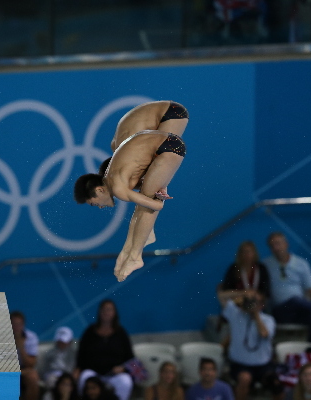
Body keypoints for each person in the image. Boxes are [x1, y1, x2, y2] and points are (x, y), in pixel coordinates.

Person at [74, 101, 189, 282]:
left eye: (94, 203)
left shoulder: (119, 184)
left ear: (98, 189)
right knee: (145, 194)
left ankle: (135, 255)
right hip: (166, 139)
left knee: (146, 201)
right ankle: (130, 250)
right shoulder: (119, 160)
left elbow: (155, 205)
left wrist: (158, 196)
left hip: (169, 130)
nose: (98, 207)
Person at [262, 232, 311, 345]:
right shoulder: (265, 265)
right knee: (295, 300)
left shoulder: (301, 264)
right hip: (280, 311)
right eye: (272, 245)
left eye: (278, 244)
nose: (276, 248)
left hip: (299, 311)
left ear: (286, 244)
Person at [219, 288, 280, 400]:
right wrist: (243, 293)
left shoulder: (268, 320)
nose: (251, 304)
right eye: (249, 301)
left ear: (262, 305)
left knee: (276, 383)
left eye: (255, 302)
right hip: (240, 364)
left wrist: (255, 314)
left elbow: (264, 334)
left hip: (263, 365)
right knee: (245, 378)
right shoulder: (235, 314)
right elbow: (221, 296)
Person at [75, 299, 135, 400]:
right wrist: (77, 368)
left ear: (114, 312)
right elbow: (81, 354)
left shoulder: (121, 333)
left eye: (109, 309)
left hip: (114, 374)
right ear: (99, 312)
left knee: (126, 381)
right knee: (84, 377)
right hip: (93, 373)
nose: (106, 312)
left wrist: (123, 368)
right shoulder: (90, 332)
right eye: (104, 310)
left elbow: (130, 358)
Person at [10, 310, 40, 400]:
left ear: (23, 325)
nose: (16, 328)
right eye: (14, 324)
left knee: (33, 377)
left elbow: (31, 364)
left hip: (23, 369)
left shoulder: (31, 337)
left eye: (19, 324)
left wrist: (21, 348)